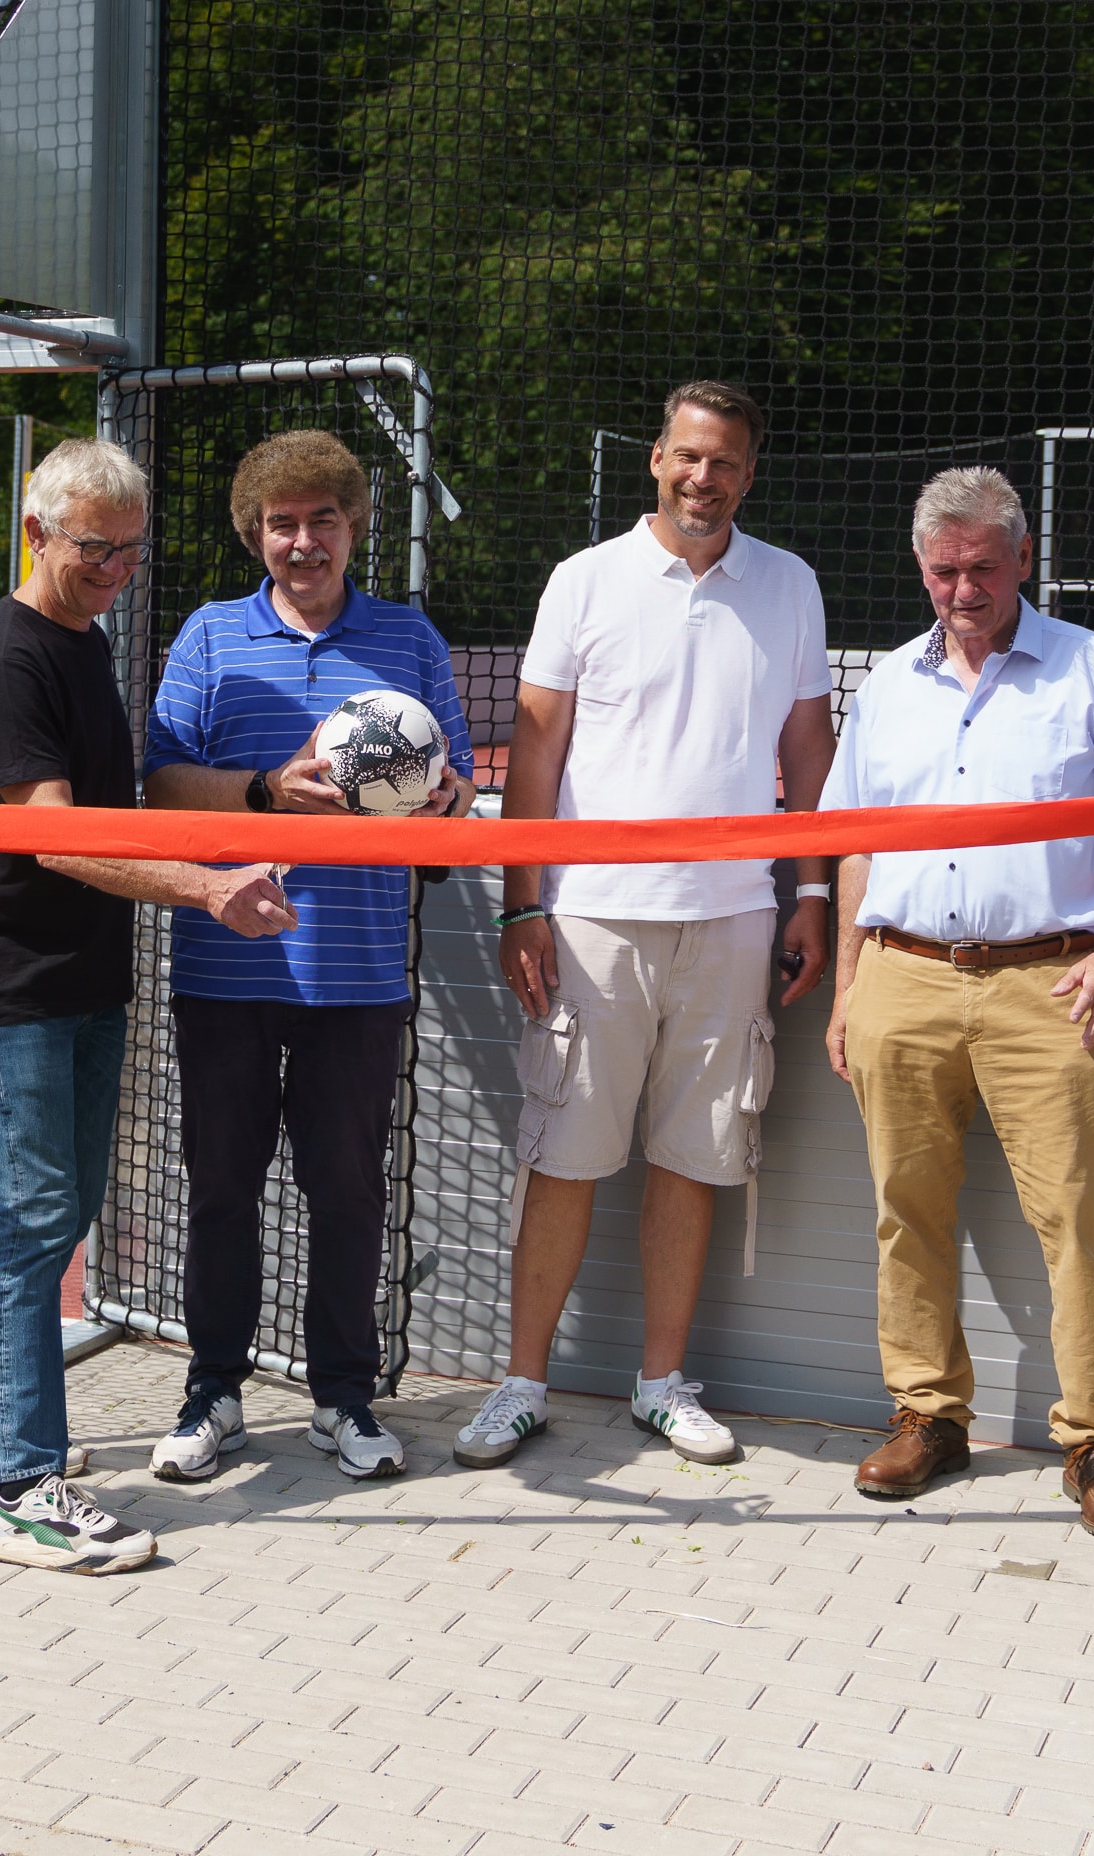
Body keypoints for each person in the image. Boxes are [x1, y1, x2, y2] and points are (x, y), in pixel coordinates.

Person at [0, 439, 295, 1573]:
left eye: (130, 549)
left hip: (80, 981)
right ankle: (17, 1488)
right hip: (9, 985)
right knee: (29, 1222)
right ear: (36, 534)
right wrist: (207, 886)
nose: (116, 568)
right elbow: (58, 831)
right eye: (94, 548)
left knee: (50, 1214)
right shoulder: (3, 660)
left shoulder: (83, 642)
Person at [453, 379, 836, 1471]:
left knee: (694, 1158)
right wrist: (523, 899)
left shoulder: (791, 584)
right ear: (654, 460)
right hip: (590, 922)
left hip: (731, 920)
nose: (702, 478)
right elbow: (534, 753)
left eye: (724, 462)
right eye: (686, 456)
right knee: (564, 1156)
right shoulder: (584, 580)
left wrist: (807, 892)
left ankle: (661, 1383)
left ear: (747, 475)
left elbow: (807, 753)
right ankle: (520, 1383)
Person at [821, 466, 1094, 1540]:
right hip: (903, 973)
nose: (963, 590)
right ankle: (928, 1416)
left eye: (983, 567)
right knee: (905, 1209)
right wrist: (848, 984)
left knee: (1075, 1217)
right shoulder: (885, 683)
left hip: (1046, 982)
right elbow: (855, 841)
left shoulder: (1093, 671)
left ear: (1022, 558)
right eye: (943, 570)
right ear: (920, 566)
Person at [142, 430, 475, 1485]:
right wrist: (262, 792)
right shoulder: (206, 636)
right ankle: (214, 1389)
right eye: (281, 523)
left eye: (321, 518)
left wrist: (444, 800)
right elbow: (159, 787)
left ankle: (343, 1394)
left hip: (359, 971)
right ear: (256, 532)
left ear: (352, 524)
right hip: (225, 969)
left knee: (347, 1192)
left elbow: (455, 793)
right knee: (221, 1188)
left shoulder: (409, 639)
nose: (302, 540)